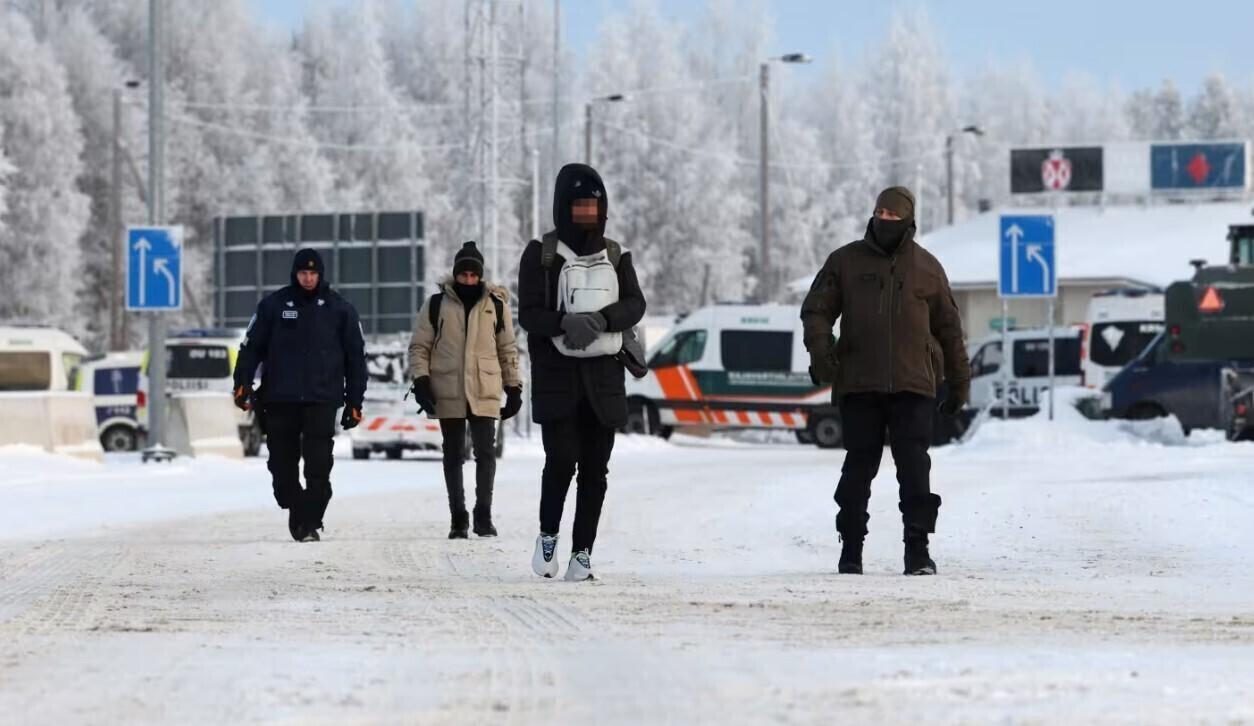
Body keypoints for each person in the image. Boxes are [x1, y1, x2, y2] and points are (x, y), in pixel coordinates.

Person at [801, 186, 971, 576]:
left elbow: (950, 329)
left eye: (894, 216)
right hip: (859, 383)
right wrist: (821, 353)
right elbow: (816, 311)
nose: (886, 220)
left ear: (909, 220)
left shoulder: (927, 268)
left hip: (914, 385)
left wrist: (960, 382)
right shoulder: (844, 261)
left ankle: (917, 551)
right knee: (859, 467)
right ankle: (851, 551)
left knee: (914, 468)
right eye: (880, 213)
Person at [517, 163, 646, 581]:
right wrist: (564, 322)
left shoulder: (615, 254)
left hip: (604, 381)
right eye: (578, 206)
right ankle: (549, 534)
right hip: (558, 378)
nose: (586, 213)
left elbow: (635, 304)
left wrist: (602, 320)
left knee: (596, 469)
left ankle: (583, 553)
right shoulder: (541, 254)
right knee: (561, 460)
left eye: (593, 205)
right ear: (562, 207)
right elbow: (530, 314)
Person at [233, 248, 368, 542]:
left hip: (322, 398)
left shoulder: (340, 310)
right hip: (280, 399)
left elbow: (356, 359)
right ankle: (299, 508)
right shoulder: (273, 306)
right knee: (282, 471)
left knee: (318, 464)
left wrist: (354, 401)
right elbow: (251, 347)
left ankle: (309, 520)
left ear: (321, 275)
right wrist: (242, 382)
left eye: (313, 273)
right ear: (295, 274)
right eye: (303, 273)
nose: (308, 278)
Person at [408, 241, 522, 539]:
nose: (468, 280)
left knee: (486, 453)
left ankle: (483, 516)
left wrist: (514, 386)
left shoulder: (496, 305)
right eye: (463, 275)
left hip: (485, 387)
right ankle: (458, 518)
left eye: (474, 275)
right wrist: (421, 380)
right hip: (449, 388)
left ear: (480, 276)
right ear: (455, 275)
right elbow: (419, 347)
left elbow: (508, 349)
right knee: (453, 453)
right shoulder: (436, 305)